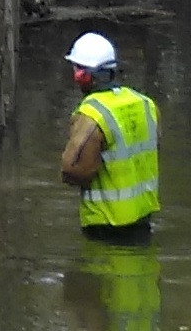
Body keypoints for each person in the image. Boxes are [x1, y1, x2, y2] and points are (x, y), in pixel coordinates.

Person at [55, 30, 158, 243]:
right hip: (143, 218)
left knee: (98, 275)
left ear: (82, 75)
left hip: (106, 226)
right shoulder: (145, 104)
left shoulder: (92, 114)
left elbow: (73, 170)